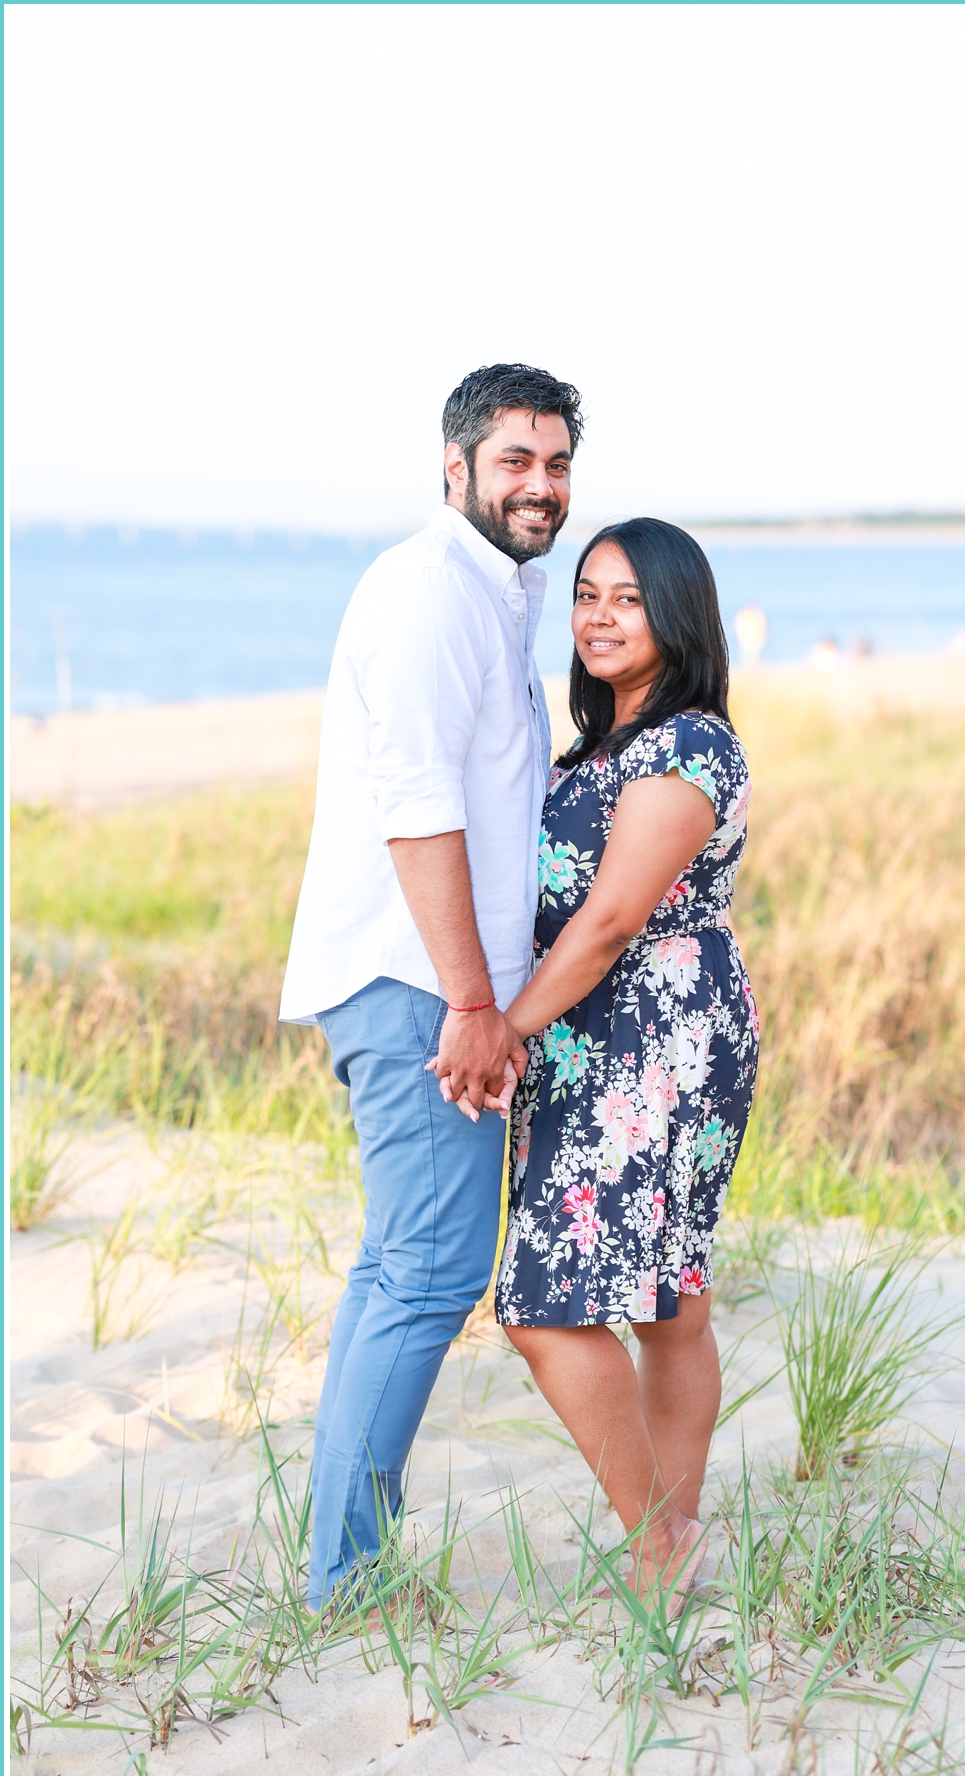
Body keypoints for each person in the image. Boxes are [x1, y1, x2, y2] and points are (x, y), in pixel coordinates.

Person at [279, 363, 583, 1613]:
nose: (541, 485)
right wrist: (473, 1001)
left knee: (400, 1265)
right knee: (432, 1270)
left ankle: (341, 1553)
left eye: (558, 463)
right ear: (452, 469)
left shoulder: (492, 596)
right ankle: (343, 1577)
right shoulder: (426, 595)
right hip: (416, 983)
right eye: (515, 460)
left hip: (432, 981)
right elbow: (419, 810)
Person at [473, 518, 759, 1599]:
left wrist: (505, 1027)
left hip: (658, 1041)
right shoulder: (594, 750)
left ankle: (658, 1540)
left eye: (626, 598)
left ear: (676, 613)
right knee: (665, 1300)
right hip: (592, 1038)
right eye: (586, 594)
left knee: (554, 1308)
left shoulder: (688, 745)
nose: (598, 614)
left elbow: (609, 921)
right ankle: (671, 1543)